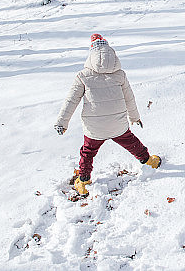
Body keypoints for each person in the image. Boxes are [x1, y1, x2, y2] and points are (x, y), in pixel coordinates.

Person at [54, 34, 161, 196]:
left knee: (88, 152)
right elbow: (129, 98)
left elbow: (71, 101)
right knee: (132, 143)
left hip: (94, 128)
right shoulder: (120, 75)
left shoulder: (83, 76)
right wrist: (134, 117)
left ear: (91, 55)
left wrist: (62, 122)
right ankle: (149, 161)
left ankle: (83, 181)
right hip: (118, 124)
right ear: (112, 54)